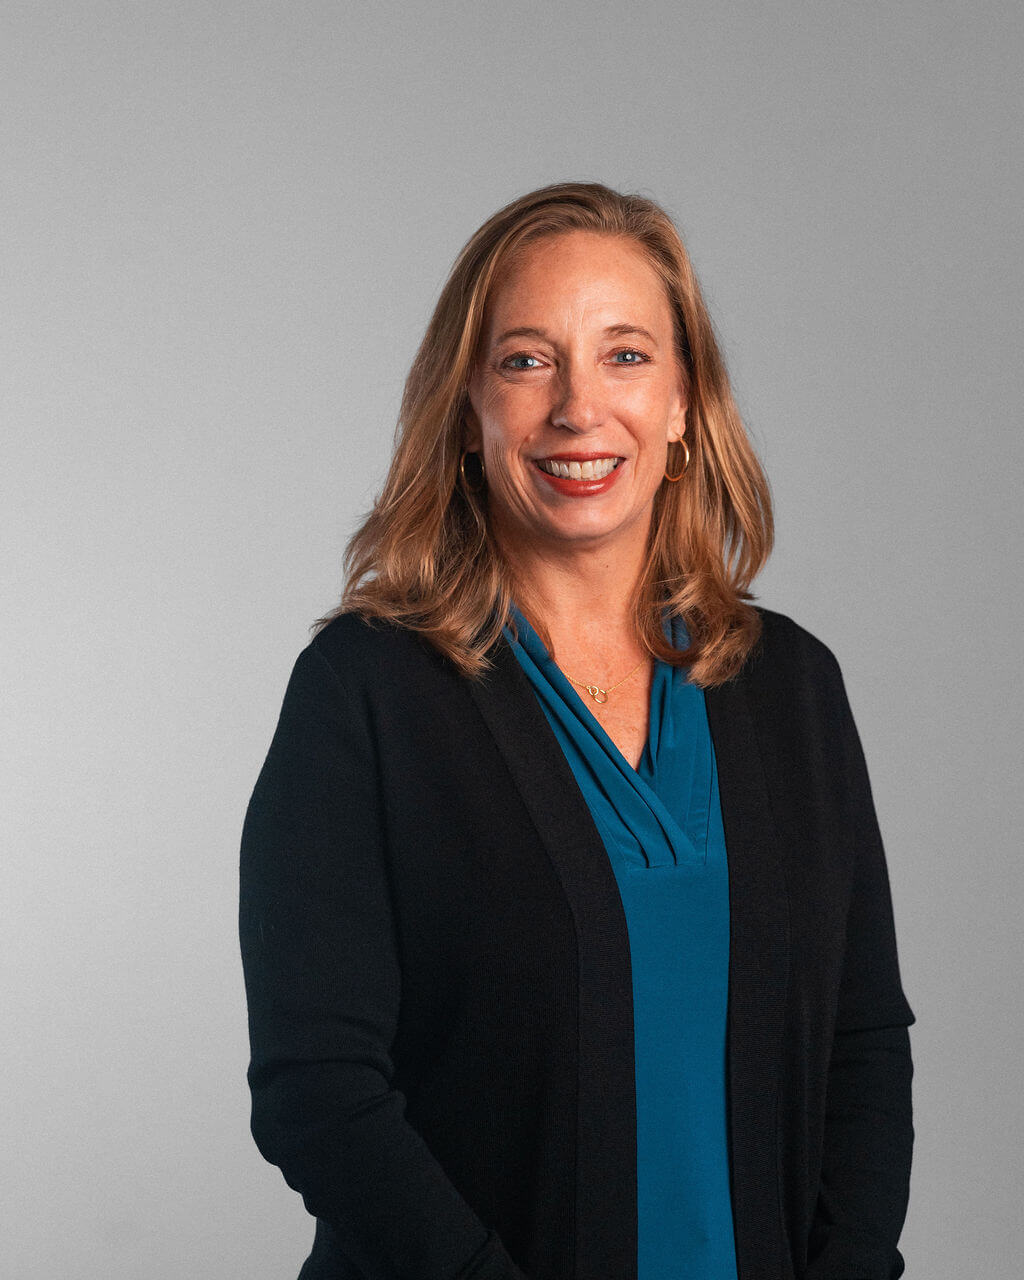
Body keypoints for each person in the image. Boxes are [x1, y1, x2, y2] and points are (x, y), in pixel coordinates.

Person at [239, 181, 914, 1280]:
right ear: (467, 407)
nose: (576, 409)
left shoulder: (792, 685)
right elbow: (319, 1087)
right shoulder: (364, 691)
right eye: (525, 359)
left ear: (687, 402)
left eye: (625, 355)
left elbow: (863, 1043)